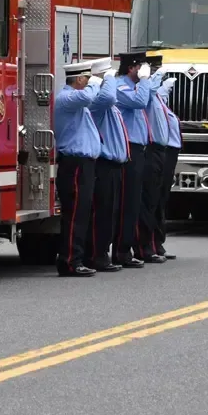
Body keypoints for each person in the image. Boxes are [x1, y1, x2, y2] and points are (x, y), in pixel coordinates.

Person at [52, 60, 102, 277]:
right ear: (79, 79)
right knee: (75, 215)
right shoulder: (67, 98)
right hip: (74, 164)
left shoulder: (76, 102)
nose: (90, 83)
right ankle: (70, 261)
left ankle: (76, 258)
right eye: (88, 79)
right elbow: (88, 96)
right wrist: (100, 81)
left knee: (82, 213)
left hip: (83, 164)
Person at [112, 51, 162, 267]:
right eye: (140, 66)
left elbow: (150, 96)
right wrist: (144, 80)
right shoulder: (120, 86)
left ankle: (134, 247)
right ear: (132, 68)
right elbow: (140, 101)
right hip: (129, 148)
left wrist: (152, 79)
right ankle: (121, 250)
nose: (143, 70)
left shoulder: (135, 86)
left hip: (141, 148)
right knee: (128, 202)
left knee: (139, 202)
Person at [87, 58, 125, 273]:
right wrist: (107, 77)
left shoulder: (106, 103)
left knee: (110, 212)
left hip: (114, 164)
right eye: (109, 76)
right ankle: (97, 254)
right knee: (102, 213)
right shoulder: (98, 102)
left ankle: (103, 252)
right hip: (103, 163)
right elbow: (109, 95)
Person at [139, 64, 178, 261]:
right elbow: (145, 97)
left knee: (159, 200)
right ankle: (147, 246)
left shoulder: (157, 99)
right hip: (152, 150)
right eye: (156, 73)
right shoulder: (146, 95)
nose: (159, 78)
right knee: (150, 201)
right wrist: (151, 81)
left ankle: (156, 243)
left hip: (164, 152)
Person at [153, 90, 183, 259]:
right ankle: (152, 244)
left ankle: (158, 243)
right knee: (155, 201)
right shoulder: (152, 98)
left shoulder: (161, 102)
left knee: (161, 200)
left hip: (169, 154)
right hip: (162, 152)